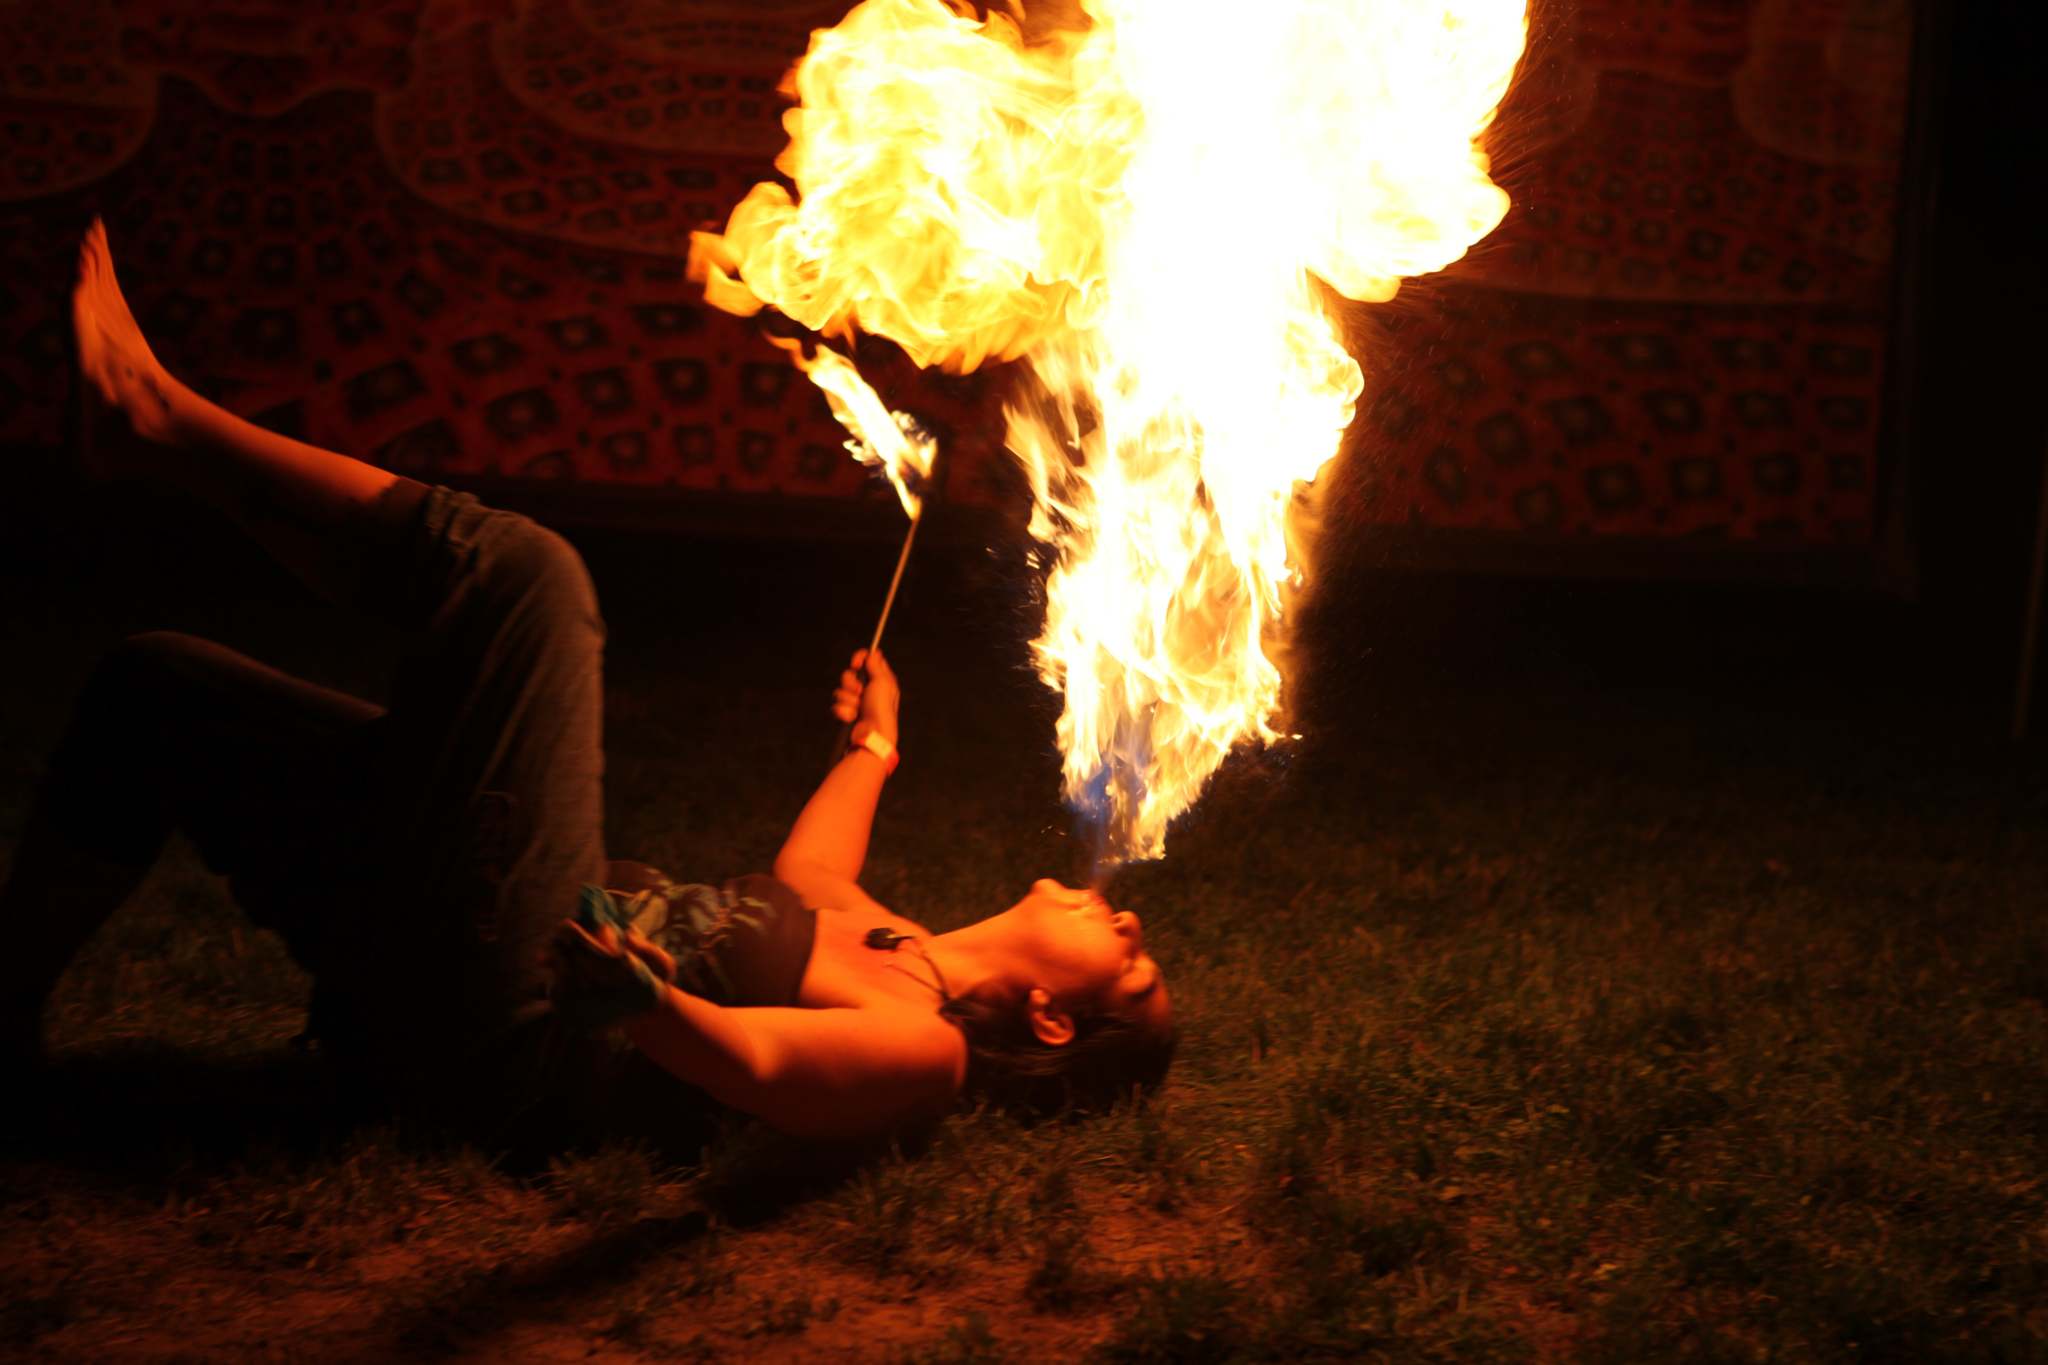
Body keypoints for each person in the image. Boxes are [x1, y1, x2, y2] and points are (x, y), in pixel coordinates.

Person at [0, 221, 1173, 1150]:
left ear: (1051, 1019)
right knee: (160, 688)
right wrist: (876, 747)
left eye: (1130, 965)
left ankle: (155, 419)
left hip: (517, 1028)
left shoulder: (926, 1053)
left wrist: (647, 1005)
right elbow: (806, 880)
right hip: (473, 955)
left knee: (527, 580)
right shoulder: (896, 948)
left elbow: (759, 1066)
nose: (1125, 921)